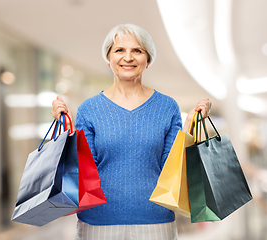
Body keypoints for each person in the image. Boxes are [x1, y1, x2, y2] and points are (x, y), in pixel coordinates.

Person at [51, 23, 212, 240]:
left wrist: (190, 126)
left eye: (137, 50)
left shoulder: (167, 107)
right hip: (98, 224)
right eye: (119, 50)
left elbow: (172, 168)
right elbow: (82, 170)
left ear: (148, 60)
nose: (128, 57)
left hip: (156, 223)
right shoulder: (89, 109)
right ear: (108, 59)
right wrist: (66, 133)